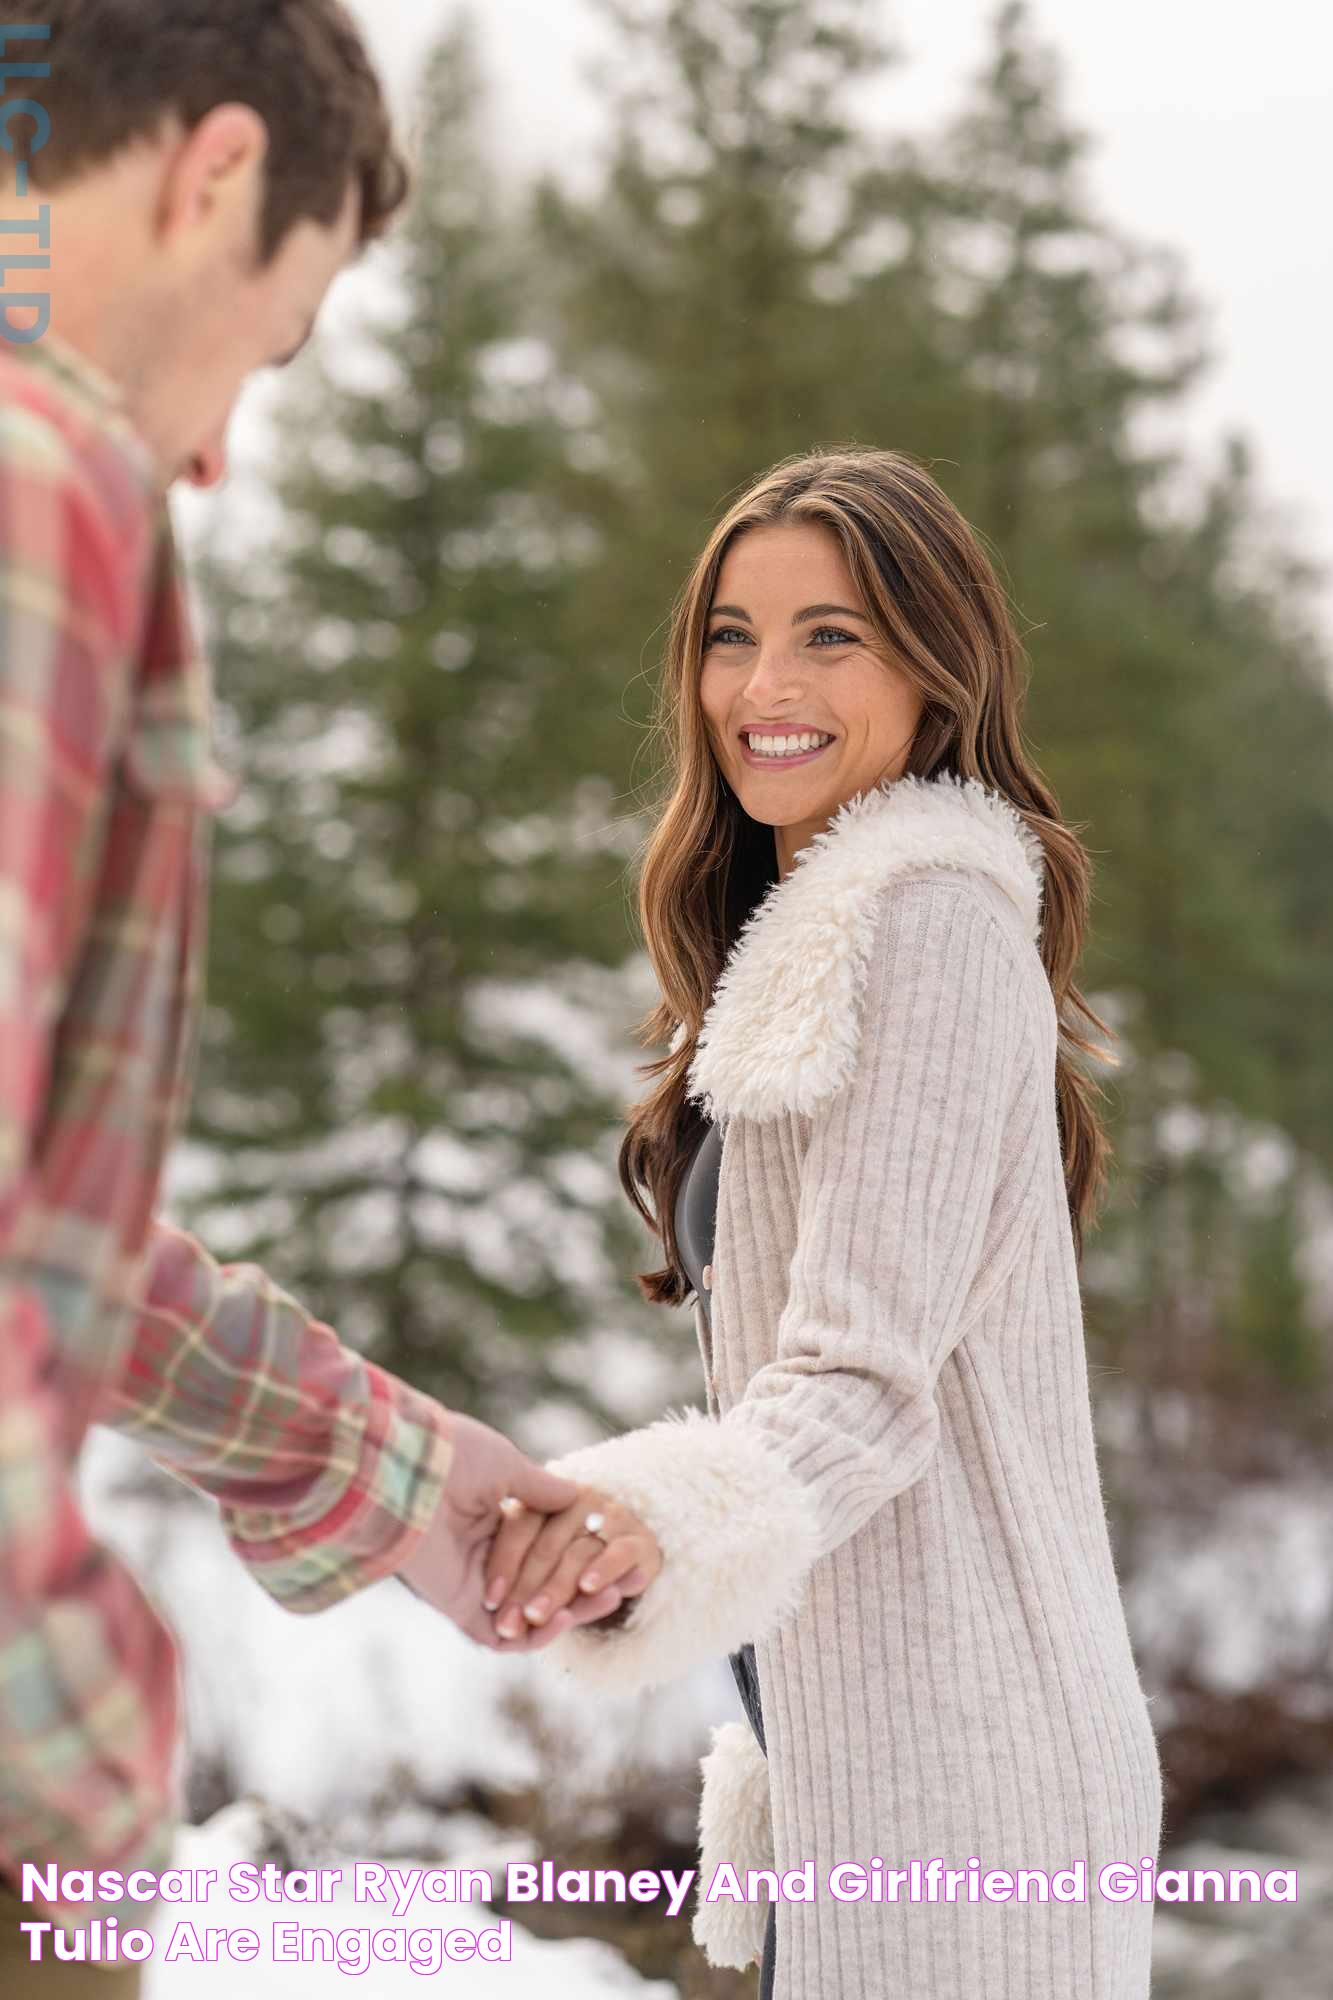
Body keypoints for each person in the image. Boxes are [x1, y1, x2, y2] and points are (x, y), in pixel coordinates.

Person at [0, 4, 654, 1988]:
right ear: (211, 177)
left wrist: (391, 1474)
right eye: (269, 342)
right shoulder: (45, 484)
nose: (217, 450)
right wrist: (81, 1764)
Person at [482, 449, 1167, 1998]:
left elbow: (861, 1387)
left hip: (973, 1796)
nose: (760, 683)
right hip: (870, 1773)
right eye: (731, 633)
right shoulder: (812, 939)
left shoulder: (926, 925)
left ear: (939, 672)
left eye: (829, 636)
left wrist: (639, 1520)